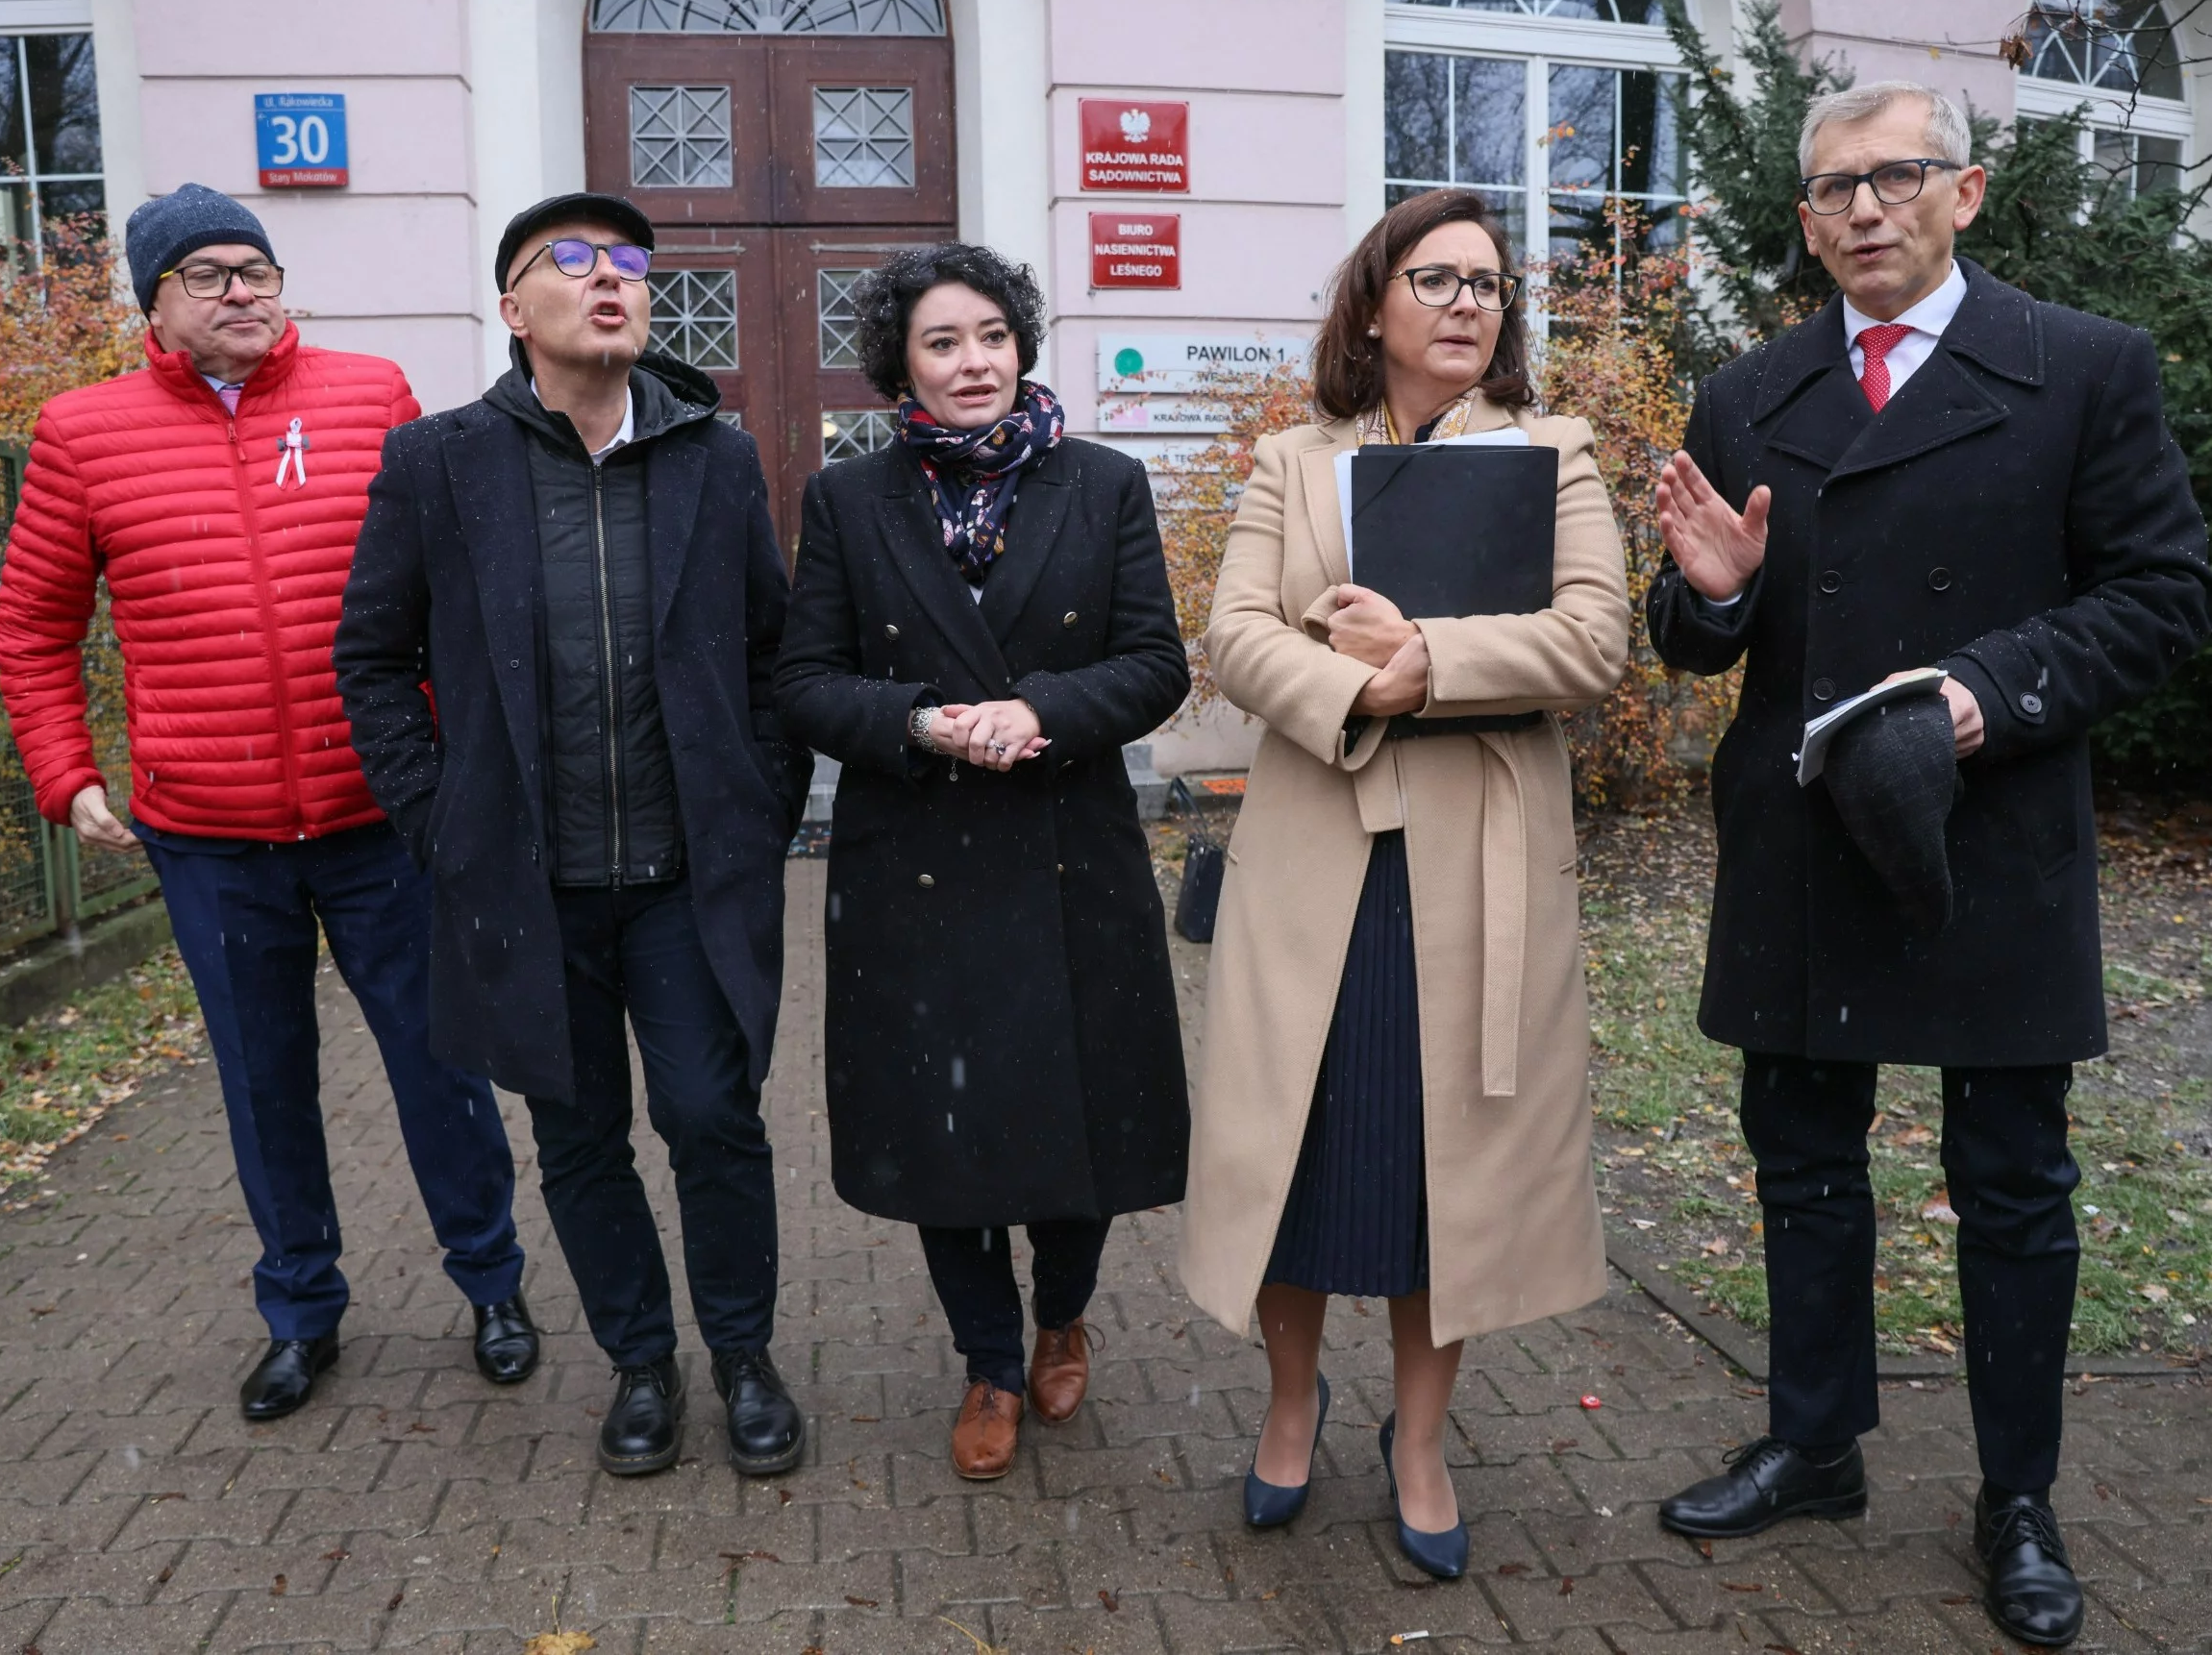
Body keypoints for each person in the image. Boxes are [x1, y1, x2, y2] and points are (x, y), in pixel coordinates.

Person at [1646, 82, 2211, 1649]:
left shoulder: (2082, 368)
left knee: (2013, 1182)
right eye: (1830, 192)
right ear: (1808, 219)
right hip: (1802, 839)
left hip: (1992, 832)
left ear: (1964, 191)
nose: (1862, 212)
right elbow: (1694, 629)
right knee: (1804, 1157)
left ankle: (2016, 1493)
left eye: (1893, 178)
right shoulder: (1747, 391)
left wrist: (1987, 692)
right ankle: (1814, 1442)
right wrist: (1707, 602)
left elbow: (2166, 591)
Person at [0, 185, 535, 1420]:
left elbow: (447, 592)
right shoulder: (83, 432)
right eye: (208, 275)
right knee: (263, 1078)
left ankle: (493, 1285)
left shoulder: (369, 395)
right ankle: (301, 1308)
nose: (243, 290)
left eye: (257, 267)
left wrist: (459, 765)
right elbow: (30, 625)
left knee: (442, 1065)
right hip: (210, 834)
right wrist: (66, 773)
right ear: (155, 304)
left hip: (381, 817)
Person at [1179, 188, 1630, 1579]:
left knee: (1450, 1173)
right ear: (1371, 302)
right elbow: (1234, 632)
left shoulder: (1550, 454)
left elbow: (1592, 638)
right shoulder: (1287, 462)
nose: (1461, 301)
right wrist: (1361, 686)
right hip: (1315, 859)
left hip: (1475, 870)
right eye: (1432, 277)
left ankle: (1419, 1439)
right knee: (1297, 1157)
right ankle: (1292, 1401)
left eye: (1486, 284)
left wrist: (1427, 654)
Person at [334, 192, 812, 1479]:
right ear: (513, 309)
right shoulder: (439, 464)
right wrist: (437, 821)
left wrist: (760, 806)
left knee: (713, 1116)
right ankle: (640, 1362)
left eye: (629, 265)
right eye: (575, 263)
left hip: (682, 880)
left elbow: (774, 651)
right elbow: (372, 659)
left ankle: (742, 1352)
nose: (612, 281)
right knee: (580, 1135)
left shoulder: (714, 455)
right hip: (524, 886)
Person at [775, 243, 1189, 1481]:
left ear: (1022, 344)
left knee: (1084, 1122)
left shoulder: (1105, 483)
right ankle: (989, 1361)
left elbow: (1156, 662)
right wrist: (915, 718)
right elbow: (804, 680)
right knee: (941, 1130)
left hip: (1071, 853)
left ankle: (1063, 1312)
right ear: (900, 362)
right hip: (917, 860)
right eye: (942, 342)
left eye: (992, 336)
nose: (974, 363)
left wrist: (1044, 707)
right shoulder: (849, 501)